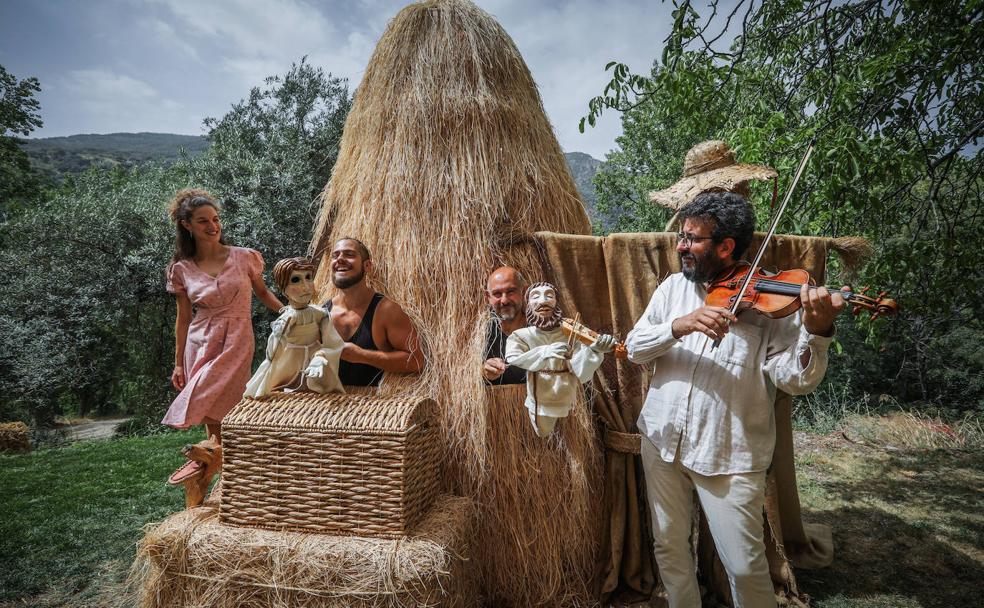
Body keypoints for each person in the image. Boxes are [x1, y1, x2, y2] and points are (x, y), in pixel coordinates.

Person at [625, 192, 845, 608]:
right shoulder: (673, 289)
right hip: (661, 439)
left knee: (744, 567)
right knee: (669, 548)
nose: (680, 246)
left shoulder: (772, 303)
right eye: (681, 236)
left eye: (692, 239)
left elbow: (795, 380)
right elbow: (635, 347)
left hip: (729, 453)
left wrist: (816, 334)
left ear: (726, 246)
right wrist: (678, 326)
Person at [163, 189, 283, 444]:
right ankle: (218, 461)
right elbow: (183, 318)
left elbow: (262, 292)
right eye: (203, 221)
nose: (212, 226)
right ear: (187, 225)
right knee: (208, 402)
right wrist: (177, 363)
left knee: (229, 400)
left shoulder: (244, 257)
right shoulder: (180, 269)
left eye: (215, 219)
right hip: (201, 340)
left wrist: (288, 311)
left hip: (238, 338)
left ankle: (229, 460)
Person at [505, 282, 614, 437]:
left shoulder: (571, 333)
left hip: (567, 398)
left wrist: (594, 351)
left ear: (557, 302)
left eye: (549, 295)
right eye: (535, 296)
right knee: (542, 433)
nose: (543, 301)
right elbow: (513, 358)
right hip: (540, 401)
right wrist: (545, 351)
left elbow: (580, 374)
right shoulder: (521, 336)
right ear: (527, 304)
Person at [323, 238, 423, 386]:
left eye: (349, 254)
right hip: (325, 407)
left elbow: (416, 361)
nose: (340, 259)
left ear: (367, 266)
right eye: (335, 255)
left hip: (373, 406)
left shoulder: (386, 311)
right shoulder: (321, 313)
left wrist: (362, 356)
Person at [243, 257, 345, 398]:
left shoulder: (320, 315)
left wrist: (321, 357)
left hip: (315, 369)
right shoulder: (287, 319)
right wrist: (280, 332)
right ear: (283, 289)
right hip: (288, 370)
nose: (306, 286)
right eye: (296, 280)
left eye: (308, 277)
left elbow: (334, 343)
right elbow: (273, 354)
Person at [482, 266, 527, 385]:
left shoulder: (541, 328)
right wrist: (483, 372)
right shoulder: (481, 334)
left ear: (524, 291)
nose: (504, 300)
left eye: (510, 291)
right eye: (497, 293)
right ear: (487, 297)